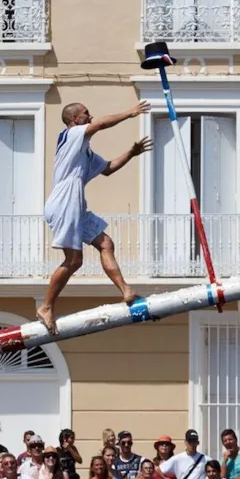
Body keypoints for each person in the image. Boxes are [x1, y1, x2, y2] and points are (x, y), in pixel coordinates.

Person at [38, 100, 154, 332]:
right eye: (85, 114)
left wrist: (131, 153)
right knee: (74, 261)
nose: (90, 117)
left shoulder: (85, 154)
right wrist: (129, 113)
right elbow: (100, 124)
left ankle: (126, 292)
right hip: (64, 203)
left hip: (76, 206)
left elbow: (108, 168)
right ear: (74, 120)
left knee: (105, 243)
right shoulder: (70, 135)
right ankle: (47, 306)